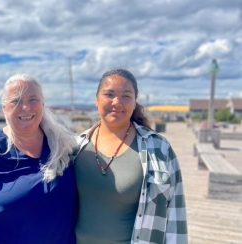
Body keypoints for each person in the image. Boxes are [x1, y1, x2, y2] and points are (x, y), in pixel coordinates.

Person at [0, 74, 77, 244]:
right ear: (4, 107)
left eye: (32, 99)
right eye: (16, 100)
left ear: (43, 105)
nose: (25, 107)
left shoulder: (63, 146)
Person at [74, 69, 187, 244]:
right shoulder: (75, 148)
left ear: (135, 103)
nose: (117, 102)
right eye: (109, 94)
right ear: (96, 100)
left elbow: (176, 214)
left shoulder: (159, 148)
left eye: (126, 96)